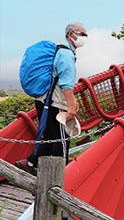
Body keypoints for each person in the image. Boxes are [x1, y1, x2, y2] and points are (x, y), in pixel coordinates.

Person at [16, 23, 87, 175]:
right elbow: (66, 84)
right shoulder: (66, 54)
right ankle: (60, 176)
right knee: (62, 139)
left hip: (43, 100)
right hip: (54, 103)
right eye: (82, 34)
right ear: (71, 34)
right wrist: (70, 107)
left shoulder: (59, 51)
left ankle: (31, 162)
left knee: (50, 136)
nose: (84, 38)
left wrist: (73, 100)